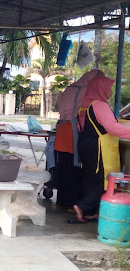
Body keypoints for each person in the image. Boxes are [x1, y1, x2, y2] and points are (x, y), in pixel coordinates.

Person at [70, 75, 130, 223]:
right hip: (99, 149)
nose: (110, 92)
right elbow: (112, 127)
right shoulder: (100, 106)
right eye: (108, 89)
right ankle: (81, 206)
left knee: (90, 178)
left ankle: (89, 212)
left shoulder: (84, 105)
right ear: (100, 89)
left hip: (86, 146)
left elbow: (80, 127)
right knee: (102, 181)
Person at [53, 69, 104, 208]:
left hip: (62, 129)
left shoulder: (70, 88)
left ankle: (61, 201)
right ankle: (72, 203)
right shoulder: (87, 91)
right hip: (73, 130)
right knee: (74, 167)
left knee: (63, 165)